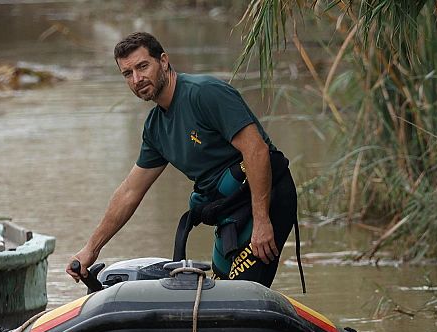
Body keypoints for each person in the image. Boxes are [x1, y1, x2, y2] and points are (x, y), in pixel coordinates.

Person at [66, 32, 300, 288]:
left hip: (268, 200)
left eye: (143, 66)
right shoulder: (155, 128)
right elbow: (130, 192)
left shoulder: (205, 93)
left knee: (239, 294)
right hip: (229, 212)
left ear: (163, 61)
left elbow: (257, 151)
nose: (137, 79)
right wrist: (91, 249)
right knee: (219, 293)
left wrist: (263, 221)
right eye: (127, 73)